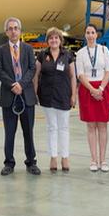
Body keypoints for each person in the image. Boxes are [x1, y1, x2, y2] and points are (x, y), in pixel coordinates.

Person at [0, 17, 41, 176]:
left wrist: (21, 84)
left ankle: (31, 162)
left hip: (26, 95)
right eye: (10, 28)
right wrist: (12, 85)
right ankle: (9, 163)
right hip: (9, 96)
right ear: (6, 32)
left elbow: (32, 68)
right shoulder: (0, 50)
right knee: (9, 132)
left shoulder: (28, 49)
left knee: (28, 131)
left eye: (16, 28)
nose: (13, 31)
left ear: (20, 31)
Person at [33, 27, 76, 172]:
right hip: (47, 96)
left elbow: (72, 77)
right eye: (51, 38)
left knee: (63, 128)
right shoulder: (41, 55)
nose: (54, 40)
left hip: (64, 95)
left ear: (60, 40)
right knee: (51, 127)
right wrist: (35, 93)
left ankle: (65, 157)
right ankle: (53, 157)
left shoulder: (68, 55)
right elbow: (36, 75)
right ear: (48, 41)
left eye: (56, 37)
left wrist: (73, 95)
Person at [75, 24, 109, 172]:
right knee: (91, 126)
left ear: (96, 35)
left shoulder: (104, 50)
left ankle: (103, 160)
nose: (90, 35)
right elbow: (80, 74)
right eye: (88, 33)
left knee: (103, 125)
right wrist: (92, 89)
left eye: (92, 32)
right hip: (87, 89)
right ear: (85, 35)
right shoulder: (80, 53)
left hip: (102, 88)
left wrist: (101, 88)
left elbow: (108, 70)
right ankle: (93, 160)